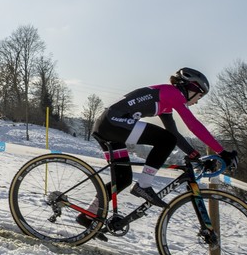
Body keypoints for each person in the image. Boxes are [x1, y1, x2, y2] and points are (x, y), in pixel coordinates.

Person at [79, 67, 238, 229]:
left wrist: (195, 156)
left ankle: (88, 216)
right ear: (192, 88)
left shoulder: (166, 99)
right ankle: (144, 185)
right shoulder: (173, 93)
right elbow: (193, 125)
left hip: (108, 126)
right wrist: (222, 152)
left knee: (122, 179)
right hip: (114, 124)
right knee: (165, 140)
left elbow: (174, 134)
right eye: (200, 96)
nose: (197, 101)